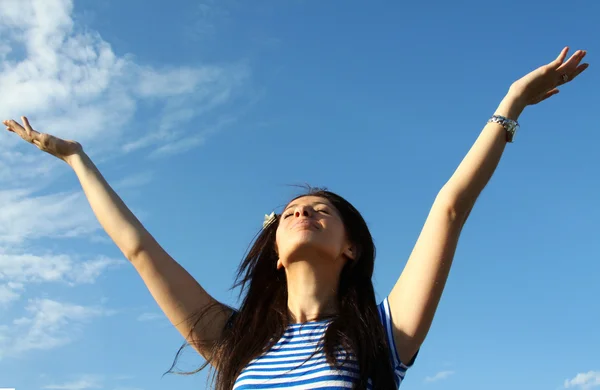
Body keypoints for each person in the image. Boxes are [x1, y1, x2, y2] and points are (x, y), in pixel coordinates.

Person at [4, 47, 588, 390]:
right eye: (290, 213)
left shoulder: (384, 336)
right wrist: (78, 158)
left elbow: (450, 207)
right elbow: (138, 249)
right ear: (276, 250)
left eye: (321, 210)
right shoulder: (234, 342)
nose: (304, 212)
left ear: (350, 247)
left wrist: (510, 105)